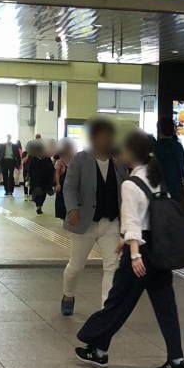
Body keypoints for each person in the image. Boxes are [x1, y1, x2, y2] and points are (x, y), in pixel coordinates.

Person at [74, 130, 184, 368]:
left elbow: (132, 221)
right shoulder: (156, 177)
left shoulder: (130, 183)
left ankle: (96, 345)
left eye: (125, 149)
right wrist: (123, 242)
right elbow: (155, 215)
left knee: (118, 301)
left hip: (141, 250)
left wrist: (134, 254)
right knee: (165, 305)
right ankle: (177, 358)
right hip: (160, 249)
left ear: (132, 153)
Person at [60, 120, 126, 316]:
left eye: (110, 136)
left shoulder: (118, 161)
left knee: (112, 267)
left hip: (111, 222)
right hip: (85, 222)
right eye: (102, 136)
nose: (107, 140)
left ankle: (107, 310)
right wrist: (72, 208)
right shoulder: (80, 159)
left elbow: (125, 187)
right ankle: (68, 294)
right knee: (76, 266)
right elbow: (69, 187)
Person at [154, 117, 184, 203]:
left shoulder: (155, 147)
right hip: (174, 189)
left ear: (159, 129)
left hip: (157, 189)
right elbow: (181, 170)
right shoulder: (178, 146)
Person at [28, 143, 55, 215]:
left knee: (43, 194)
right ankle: (38, 206)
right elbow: (30, 169)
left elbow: (51, 168)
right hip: (36, 180)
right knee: (38, 193)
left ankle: (40, 206)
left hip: (45, 180)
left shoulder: (46, 158)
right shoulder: (33, 158)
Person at [53, 139, 74, 220]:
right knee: (62, 200)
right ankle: (63, 217)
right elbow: (57, 173)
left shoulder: (74, 158)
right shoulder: (60, 160)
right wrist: (57, 184)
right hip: (62, 182)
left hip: (71, 182)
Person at [23, 133, 44, 199]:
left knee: (33, 182)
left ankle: (32, 195)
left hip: (33, 170)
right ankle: (26, 194)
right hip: (26, 169)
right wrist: (28, 154)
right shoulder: (25, 153)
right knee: (26, 182)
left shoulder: (35, 153)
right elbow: (24, 161)